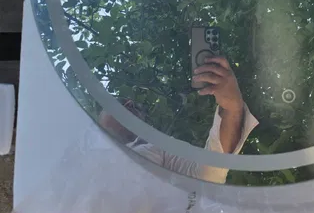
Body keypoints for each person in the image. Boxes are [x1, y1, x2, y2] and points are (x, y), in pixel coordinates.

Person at [99, 56, 258, 183]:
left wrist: (232, 109)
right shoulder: (86, 159)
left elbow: (206, 176)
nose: (130, 104)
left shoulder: (160, 149)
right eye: (120, 103)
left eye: (136, 106)